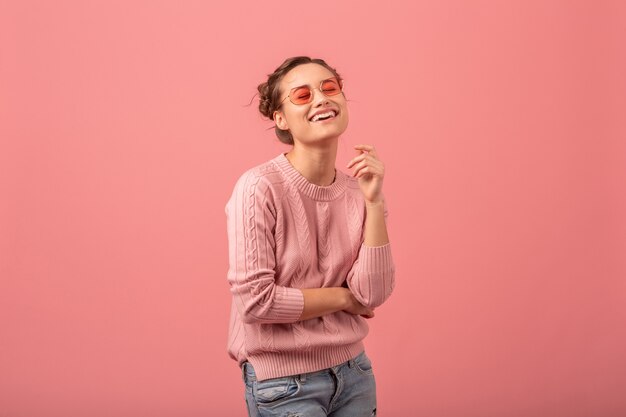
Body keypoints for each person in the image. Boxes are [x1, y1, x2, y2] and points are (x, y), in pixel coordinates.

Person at [225, 56, 395, 417]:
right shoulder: (258, 187)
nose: (321, 99)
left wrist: (375, 202)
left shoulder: (359, 192)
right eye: (302, 95)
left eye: (329, 88)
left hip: (355, 374)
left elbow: (373, 294)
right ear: (280, 119)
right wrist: (344, 300)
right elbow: (256, 302)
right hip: (282, 384)